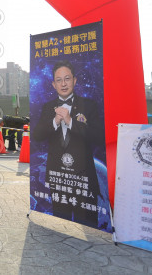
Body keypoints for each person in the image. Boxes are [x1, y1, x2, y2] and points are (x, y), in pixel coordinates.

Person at [32, 60, 104, 227]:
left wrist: (70, 121)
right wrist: (55, 121)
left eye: (67, 79)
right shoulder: (48, 107)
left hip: (83, 179)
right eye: (59, 80)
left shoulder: (89, 105)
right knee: (60, 224)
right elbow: (37, 136)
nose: (63, 84)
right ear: (53, 84)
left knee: (88, 226)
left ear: (74, 80)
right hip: (58, 178)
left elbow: (98, 137)